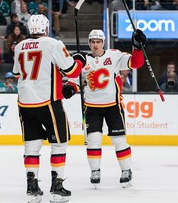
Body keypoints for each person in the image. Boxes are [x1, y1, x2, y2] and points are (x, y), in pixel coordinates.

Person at [13, 14, 86, 203]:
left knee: (32, 144)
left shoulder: (19, 46)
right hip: (48, 102)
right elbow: (72, 71)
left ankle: (32, 186)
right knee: (59, 143)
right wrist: (80, 60)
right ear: (46, 28)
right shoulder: (53, 43)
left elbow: (16, 73)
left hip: (25, 103)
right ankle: (57, 186)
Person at [62, 29, 146, 188]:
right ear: (89, 43)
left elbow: (136, 63)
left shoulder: (114, 55)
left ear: (103, 43)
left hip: (113, 106)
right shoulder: (83, 60)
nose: (95, 45)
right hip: (92, 108)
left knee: (119, 140)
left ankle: (126, 170)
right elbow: (75, 81)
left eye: (98, 42)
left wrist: (137, 47)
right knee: (93, 140)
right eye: (92, 42)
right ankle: (95, 171)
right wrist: (70, 88)